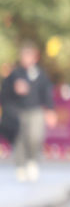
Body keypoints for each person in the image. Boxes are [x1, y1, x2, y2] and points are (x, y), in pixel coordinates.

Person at [2, 42, 54, 182]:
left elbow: (46, 92)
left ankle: (32, 161)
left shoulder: (40, 74)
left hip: (35, 110)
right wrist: (14, 90)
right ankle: (20, 165)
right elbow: (4, 93)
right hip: (18, 111)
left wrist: (50, 109)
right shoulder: (14, 74)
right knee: (19, 139)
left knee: (35, 136)